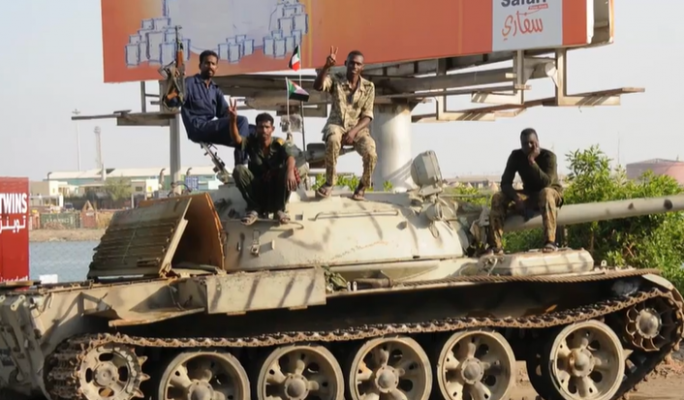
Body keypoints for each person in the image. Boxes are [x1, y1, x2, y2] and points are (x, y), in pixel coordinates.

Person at [313, 47, 377, 201]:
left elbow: (367, 116)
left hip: (358, 128)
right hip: (337, 123)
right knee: (333, 139)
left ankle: (362, 186)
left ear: (362, 67)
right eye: (351, 63)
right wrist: (326, 67)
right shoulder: (336, 79)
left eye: (358, 64)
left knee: (371, 153)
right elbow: (318, 86)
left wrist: (353, 132)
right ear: (345, 63)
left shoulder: (368, 87)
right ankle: (330, 182)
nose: (354, 66)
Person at [486, 128, 563, 254]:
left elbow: (546, 183)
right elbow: (505, 183)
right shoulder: (516, 156)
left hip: (551, 193)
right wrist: (516, 198)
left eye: (532, 143)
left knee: (546, 193)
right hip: (530, 194)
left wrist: (532, 161)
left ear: (537, 142)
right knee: (497, 197)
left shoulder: (549, 157)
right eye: (525, 144)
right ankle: (495, 245)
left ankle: (550, 242)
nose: (529, 146)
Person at [226, 99, 300, 225]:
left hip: (276, 189)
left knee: (288, 168)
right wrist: (233, 120)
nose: (264, 130)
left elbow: (290, 156)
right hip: (258, 188)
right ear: (256, 128)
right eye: (261, 127)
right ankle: (254, 209)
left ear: (272, 129)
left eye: (267, 127)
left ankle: (279, 210)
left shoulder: (279, 143)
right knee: (239, 170)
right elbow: (237, 139)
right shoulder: (251, 142)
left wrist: (290, 172)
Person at [163, 50, 251, 150]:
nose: (210, 66)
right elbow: (172, 103)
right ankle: (241, 158)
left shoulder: (214, 89)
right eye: (207, 63)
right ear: (200, 66)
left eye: (213, 64)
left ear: (216, 68)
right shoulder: (189, 83)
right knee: (242, 121)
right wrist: (175, 84)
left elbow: (224, 113)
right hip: (197, 128)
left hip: (210, 128)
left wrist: (232, 116)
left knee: (252, 130)